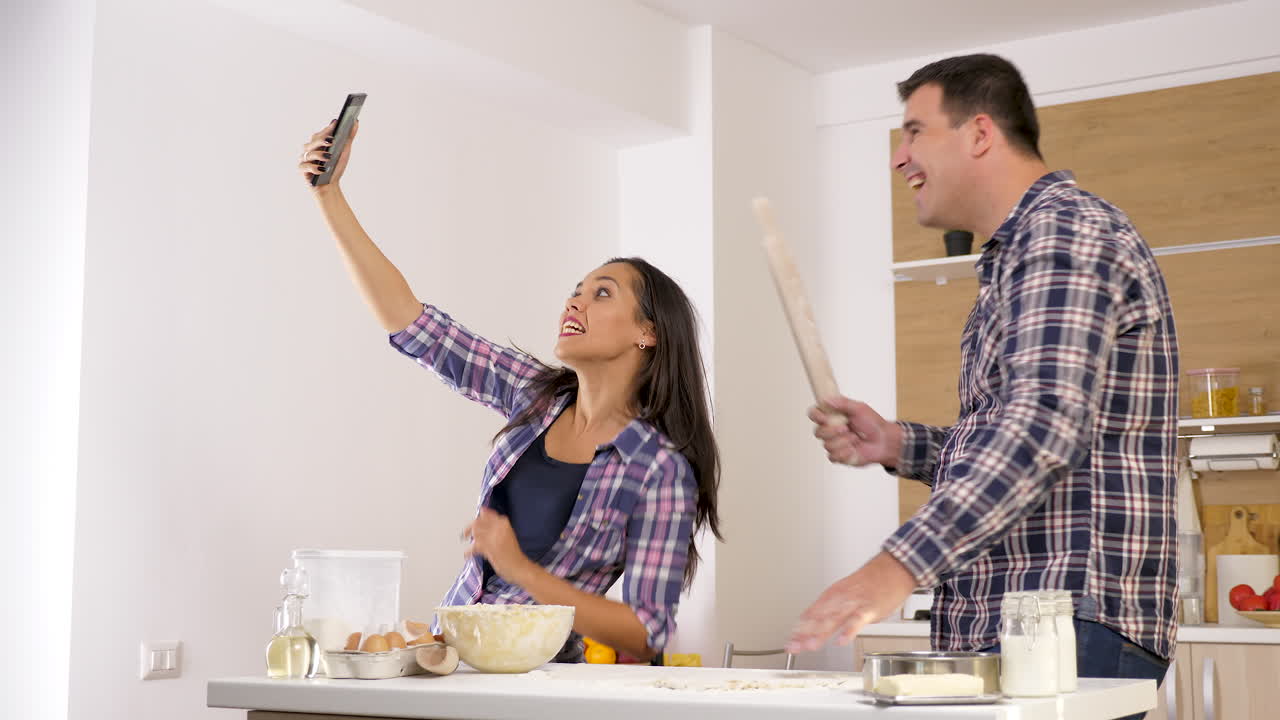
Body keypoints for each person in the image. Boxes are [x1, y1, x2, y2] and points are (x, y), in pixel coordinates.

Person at [789, 54, 1178, 709]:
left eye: (914, 131)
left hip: (1063, 622)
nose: (898, 157)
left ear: (979, 133)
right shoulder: (1017, 256)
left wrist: (896, 568)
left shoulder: (1065, 231)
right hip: (1028, 624)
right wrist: (895, 444)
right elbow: (1025, 430)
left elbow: (1043, 429)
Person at [296, 119, 721, 662]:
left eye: (602, 294)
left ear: (648, 332)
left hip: (543, 680)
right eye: (575, 291)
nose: (575, 303)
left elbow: (645, 631)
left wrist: (518, 567)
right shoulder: (536, 397)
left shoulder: (659, 468)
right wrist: (330, 197)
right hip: (452, 657)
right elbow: (416, 326)